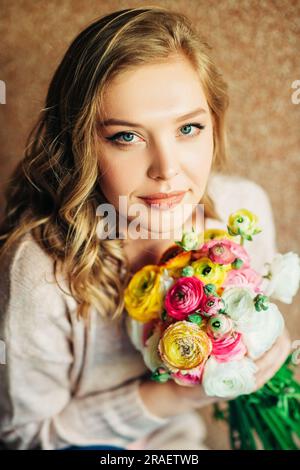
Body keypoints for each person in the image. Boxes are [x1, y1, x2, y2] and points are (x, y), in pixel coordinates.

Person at [0, 6, 291, 450]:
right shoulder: (41, 271)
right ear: (80, 144)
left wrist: (266, 340)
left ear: (215, 125)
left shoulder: (241, 209)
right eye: (127, 137)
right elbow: (24, 436)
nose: (167, 170)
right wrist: (173, 395)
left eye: (189, 128)